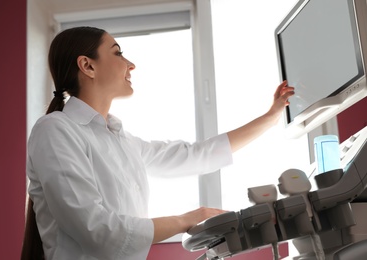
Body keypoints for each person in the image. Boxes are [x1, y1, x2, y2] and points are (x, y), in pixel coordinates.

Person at [21, 26, 294, 260]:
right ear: (88, 66)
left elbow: (196, 155)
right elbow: (97, 229)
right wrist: (185, 220)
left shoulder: (121, 140)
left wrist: (271, 118)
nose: (130, 64)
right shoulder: (55, 130)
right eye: (117, 53)